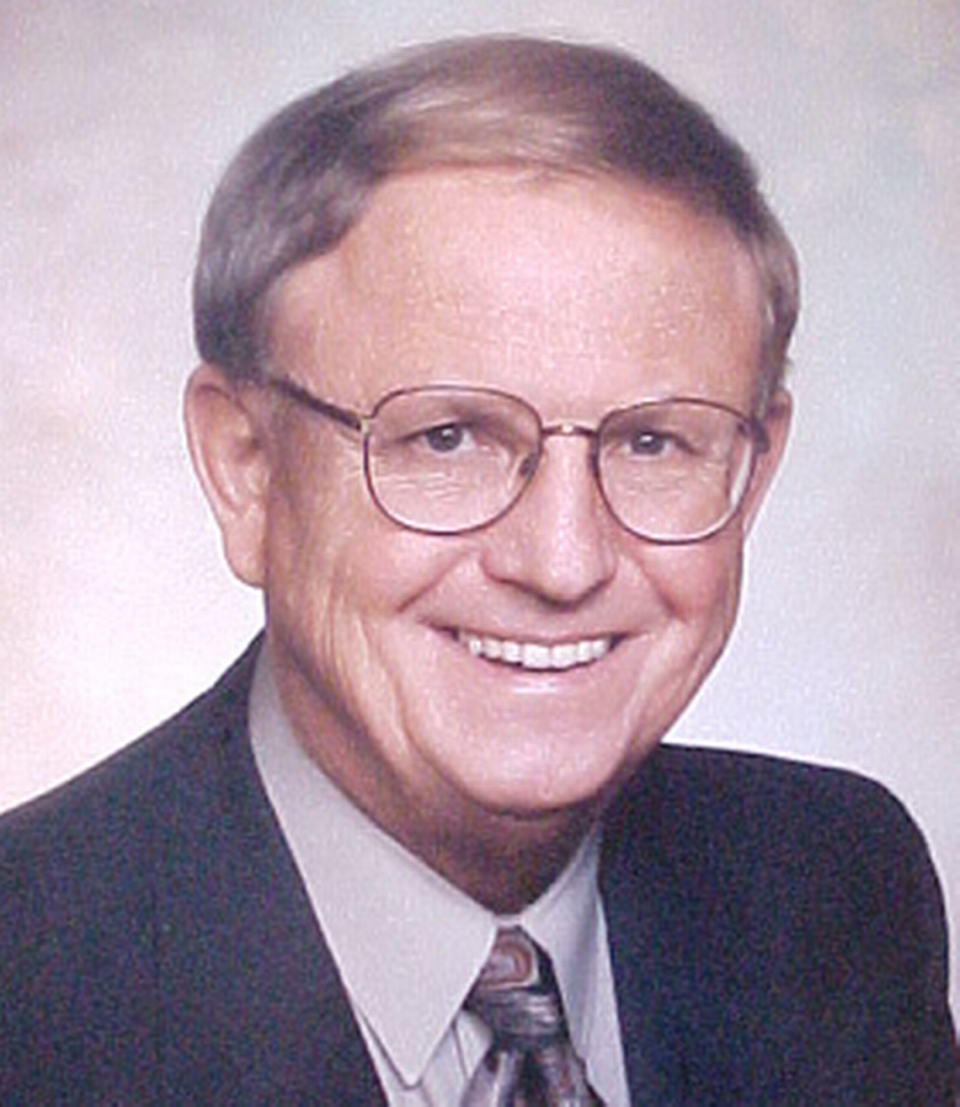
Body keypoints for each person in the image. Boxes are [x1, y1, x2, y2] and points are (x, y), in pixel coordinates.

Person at [0, 35, 954, 1105]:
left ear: (756, 468)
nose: (563, 561)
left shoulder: (835, 891)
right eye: (447, 437)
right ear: (247, 471)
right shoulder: (27, 986)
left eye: (652, 443)